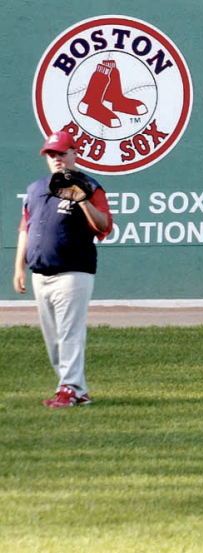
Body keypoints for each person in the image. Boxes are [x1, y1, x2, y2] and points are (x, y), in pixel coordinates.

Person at [12, 131, 113, 408]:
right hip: (40, 274)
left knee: (69, 334)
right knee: (54, 340)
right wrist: (19, 266)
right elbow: (26, 228)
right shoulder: (35, 189)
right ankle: (73, 390)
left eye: (61, 153)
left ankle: (70, 388)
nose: (56, 159)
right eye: (51, 154)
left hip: (73, 272)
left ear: (74, 153)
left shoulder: (90, 186)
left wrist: (81, 200)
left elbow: (104, 225)